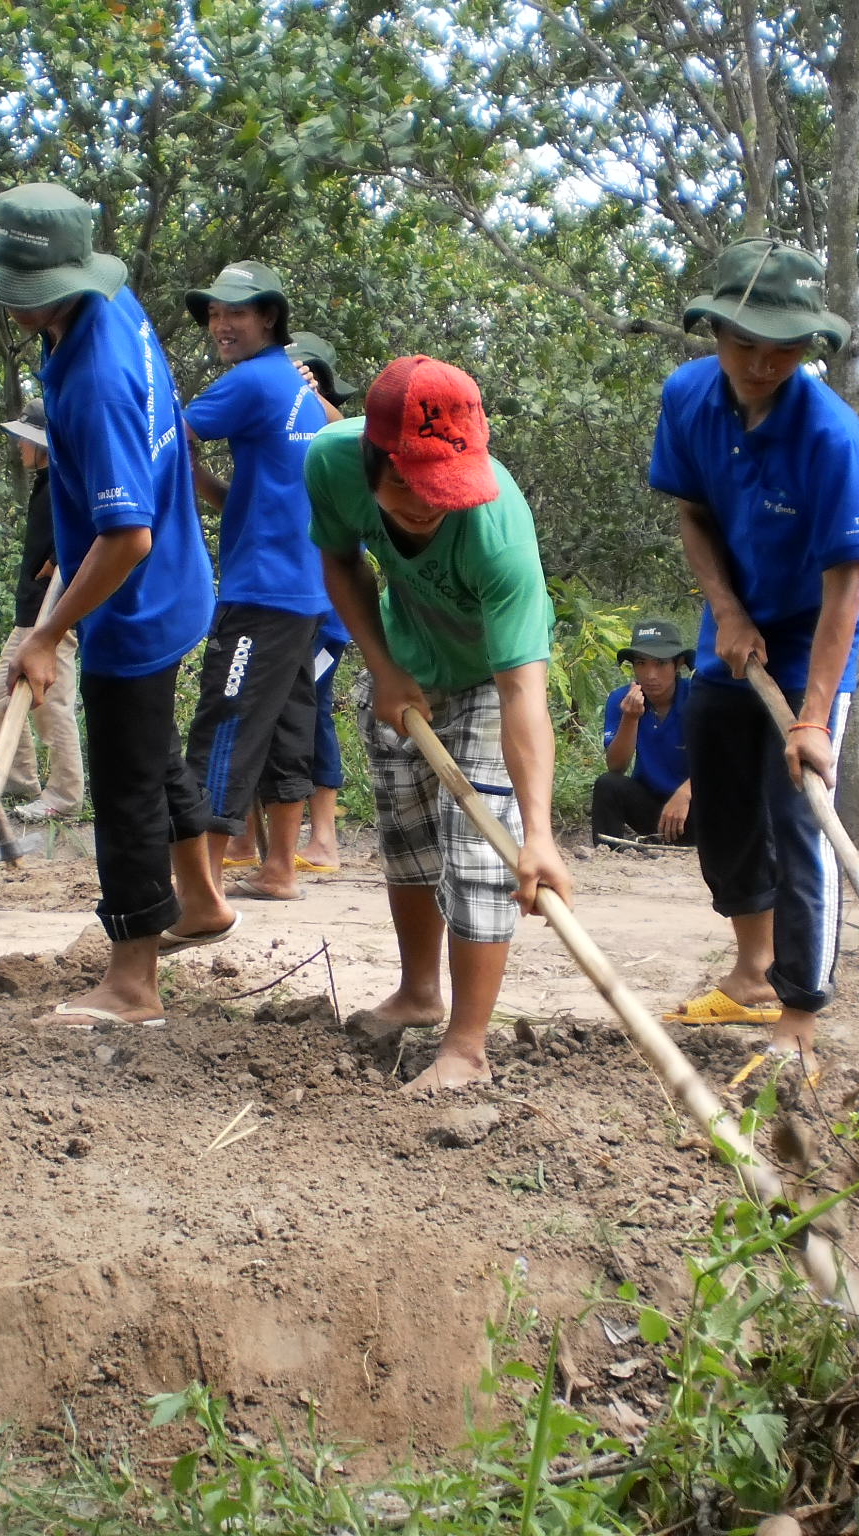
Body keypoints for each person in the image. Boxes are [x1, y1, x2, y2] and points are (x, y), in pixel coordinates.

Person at [0, 183, 230, 1026]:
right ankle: (203, 901)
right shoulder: (109, 307)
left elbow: (126, 537)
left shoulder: (94, 379)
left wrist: (49, 630)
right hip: (175, 581)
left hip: (134, 603)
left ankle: (132, 978)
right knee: (150, 759)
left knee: (124, 787)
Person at [308, 355, 570, 1093]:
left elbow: (524, 691)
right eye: (408, 486)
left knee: (485, 856)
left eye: (442, 488)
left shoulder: (497, 533)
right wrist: (385, 668)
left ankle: (466, 1046)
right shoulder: (330, 463)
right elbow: (341, 561)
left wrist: (540, 836)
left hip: (489, 677)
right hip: (408, 665)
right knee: (410, 838)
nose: (427, 505)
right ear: (372, 461)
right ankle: (419, 993)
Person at [648, 238, 859, 1080]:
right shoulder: (689, 397)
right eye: (743, 341)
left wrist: (814, 715)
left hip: (814, 646)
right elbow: (694, 515)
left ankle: (798, 1015)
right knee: (729, 805)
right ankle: (749, 971)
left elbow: (846, 583)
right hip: (731, 641)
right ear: (713, 330)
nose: (761, 361)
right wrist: (728, 611)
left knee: (802, 824)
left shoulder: (830, 437)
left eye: (782, 346)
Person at [179, 260, 333, 903]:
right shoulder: (295, 390)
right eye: (214, 313)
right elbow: (250, 495)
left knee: (226, 721)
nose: (221, 324)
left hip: (262, 589)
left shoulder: (250, 382)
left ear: (268, 318)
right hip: (307, 589)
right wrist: (201, 481)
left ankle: (203, 884)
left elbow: (163, 434)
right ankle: (279, 870)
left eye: (236, 312)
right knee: (289, 728)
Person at [0, 398, 84, 821]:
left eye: (26, 440)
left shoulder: (64, 482)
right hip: (31, 613)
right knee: (0, 697)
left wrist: (58, 557)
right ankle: (17, 782)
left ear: (44, 445)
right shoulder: (46, 484)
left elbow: (88, 527)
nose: (19, 447)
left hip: (54, 613)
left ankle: (64, 796)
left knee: (52, 702)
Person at [289, 333, 359, 874]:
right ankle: (264, 836)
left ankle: (326, 837)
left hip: (328, 613)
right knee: (277, 712)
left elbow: (341, 430)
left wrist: (310, 397)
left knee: (312, 710)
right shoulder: (286, 444)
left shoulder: (338, 439)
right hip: (287, 602)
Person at [593, 618, 694, 847]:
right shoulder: (621, 699)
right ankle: (608, 858)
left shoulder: (697, 697)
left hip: (696, 809)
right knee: (608, 784)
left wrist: (685, 793)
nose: (650, 675)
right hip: (653, 809)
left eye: (660, 663)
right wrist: (630, 718)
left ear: (678, 664)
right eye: (641, 663)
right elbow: (616, 766)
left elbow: (723, 763)